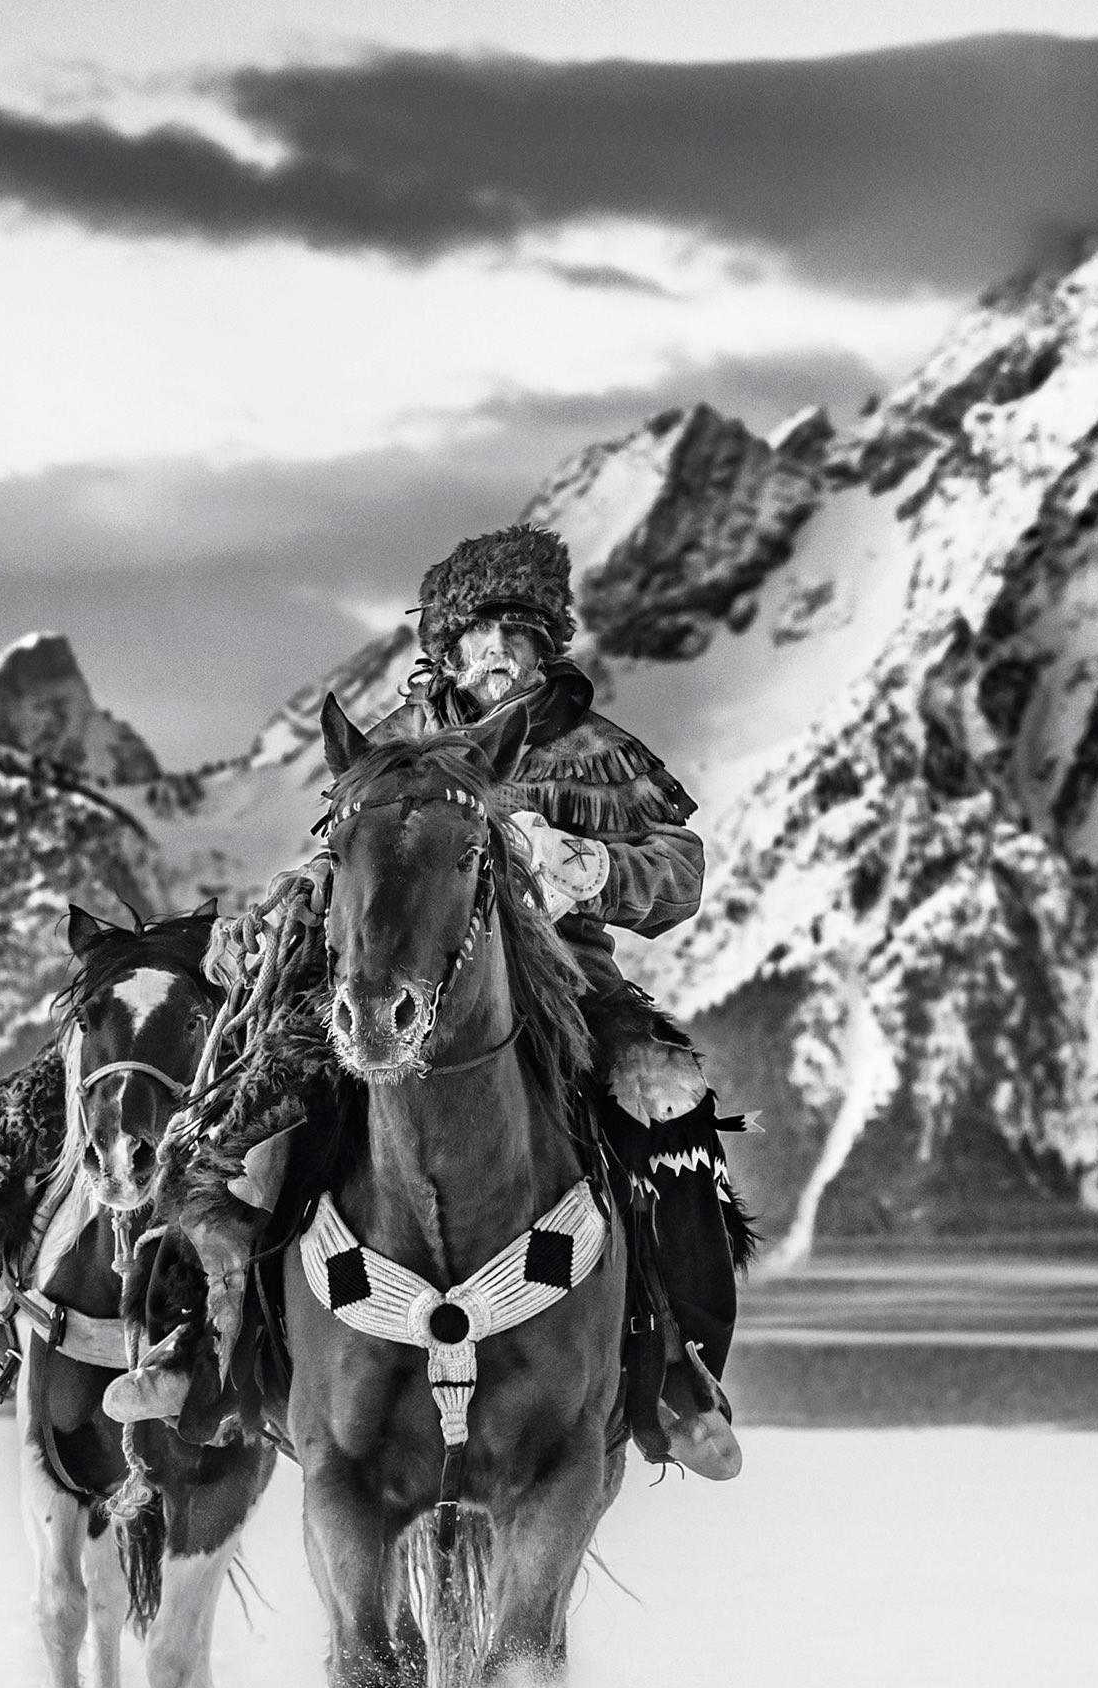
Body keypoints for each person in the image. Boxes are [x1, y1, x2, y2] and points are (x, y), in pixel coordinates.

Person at [122, 525, 749, 1479]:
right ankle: (207, 1348)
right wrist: (280, 916)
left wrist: (592, 866)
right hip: (389, 983)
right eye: (477, 635)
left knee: (669, 1102)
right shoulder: (398, 750)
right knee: (252, 1118)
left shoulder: (598, 752)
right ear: (443, 648)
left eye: (518, 633)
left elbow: (682, 867)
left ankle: (681, 1370)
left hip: (571, 986)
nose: (496, 653)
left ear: (548, 646)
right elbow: (338, 863)